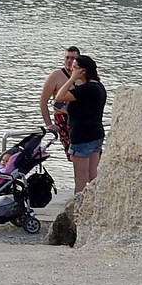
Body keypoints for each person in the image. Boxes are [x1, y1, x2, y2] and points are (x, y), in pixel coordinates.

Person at [61, 52, 107, 190]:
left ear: (83, 71)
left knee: (80, 179)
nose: (71, 69)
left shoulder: (86, 89)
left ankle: (79, 203)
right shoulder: (98, 87)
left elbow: (60, 96)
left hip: (82, 137)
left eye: (75, 67)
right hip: (95, 134)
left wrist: (71, 79)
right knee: (93, 176)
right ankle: (96, 200)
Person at [40, 43, 82, 142]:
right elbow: (43, 101)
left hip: (80, 118)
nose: (69, 61)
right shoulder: (56, 76)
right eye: (67, 58)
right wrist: (49, 124)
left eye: (72, 58)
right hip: (63, 118)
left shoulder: (82, 76)